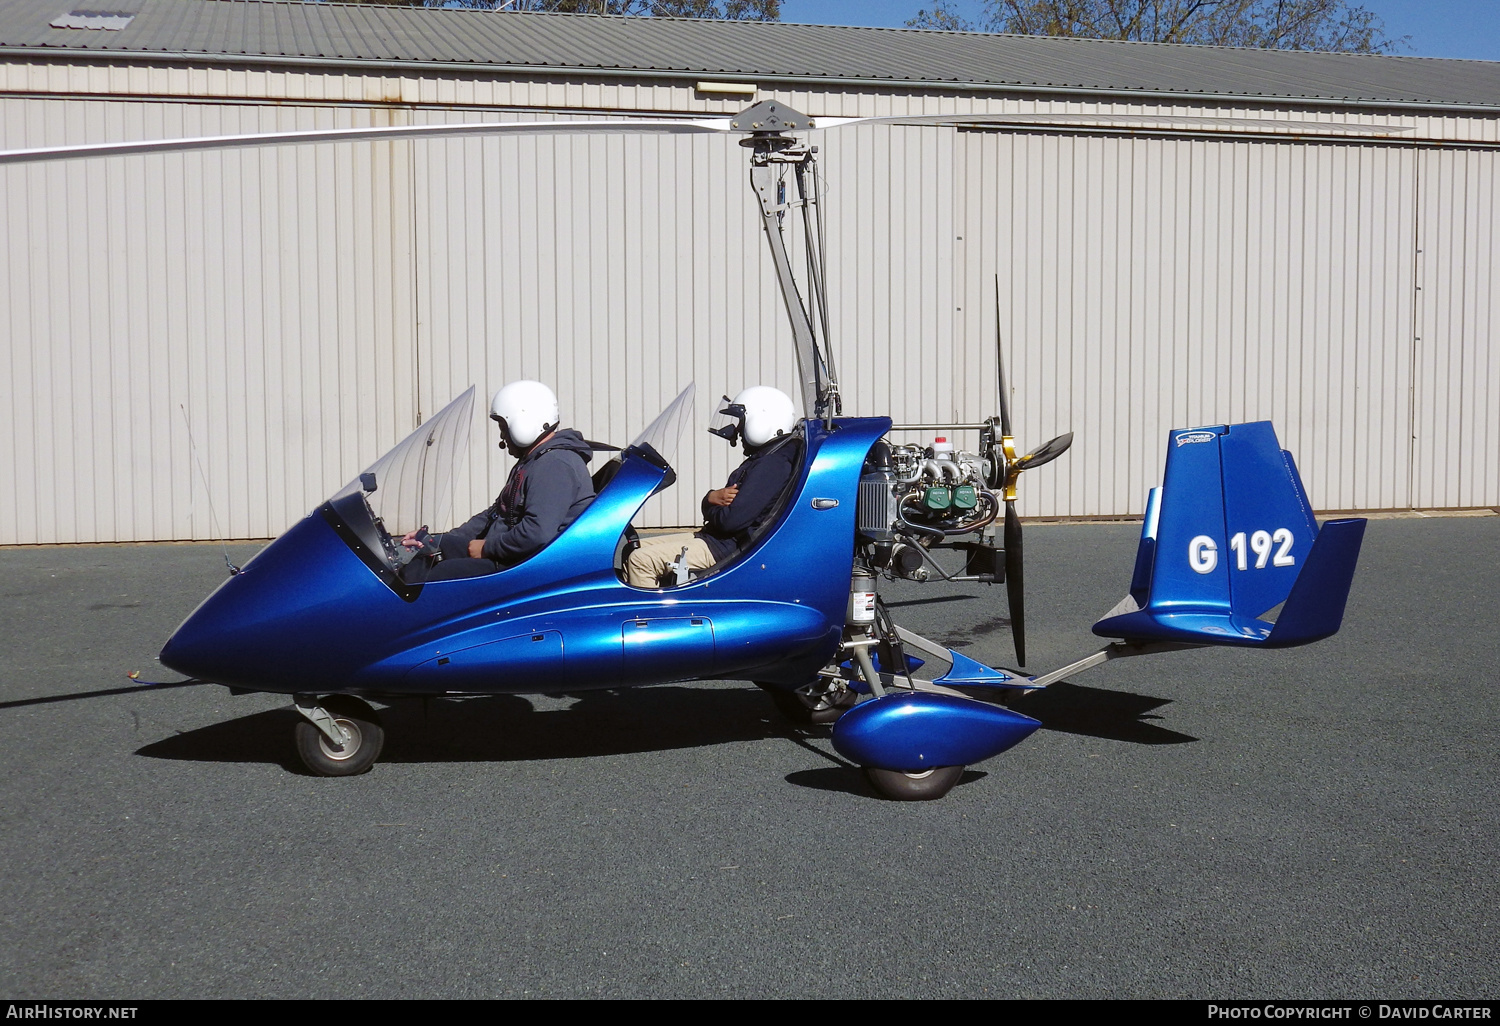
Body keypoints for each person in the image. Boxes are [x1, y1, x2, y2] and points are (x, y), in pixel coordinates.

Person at [403, 380, 594, 581]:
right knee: (424, 556)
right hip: (510, 554)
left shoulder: (555, 465)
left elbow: (536, 533)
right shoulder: (533, 461)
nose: (502, 436)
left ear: (524, 423)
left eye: (503, 427)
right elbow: (496, 513)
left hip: (525, 567)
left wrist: (487, 548)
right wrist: (437, 540)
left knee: (430, 580)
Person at [625, 385, 801, 589]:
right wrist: (711, 499)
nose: (737, 431)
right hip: (717, 539)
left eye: (740, 422)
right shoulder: (768, 457)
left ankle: (650, 618)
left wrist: (710, 504)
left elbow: (731, 521)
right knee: (632, 549)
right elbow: (729, 511)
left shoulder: (772, 465)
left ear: (761, 420)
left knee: (640, 561)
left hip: (725, 547)